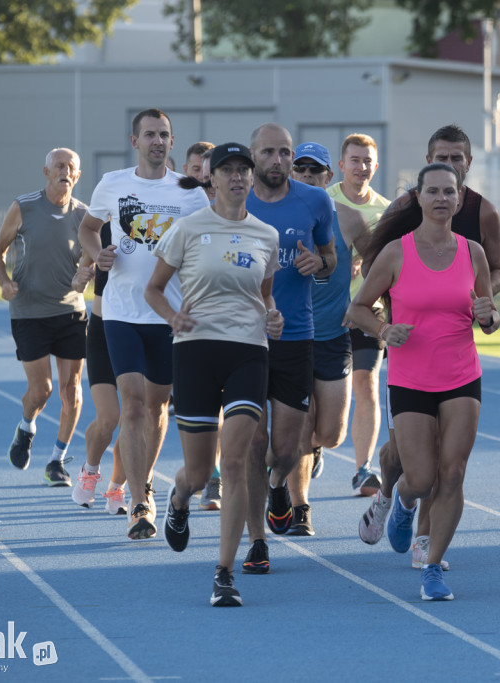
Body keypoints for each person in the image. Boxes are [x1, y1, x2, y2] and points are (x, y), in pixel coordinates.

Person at [346, 162, 499, 601]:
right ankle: (404, 502)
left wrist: (489, 318)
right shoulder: (396, 252)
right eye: (432, 191)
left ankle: (432, 566)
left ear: (459, 197)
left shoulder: (473, 252)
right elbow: (358, 308)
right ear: (418, 198)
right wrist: (382, 331)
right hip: (411, 378)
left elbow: (484, 312)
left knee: (453, 474)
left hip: (461, 375)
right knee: (423, 478)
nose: (440, 199)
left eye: (448, 192)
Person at [146, 142, 283, 606]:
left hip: (248, 350)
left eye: (244, 169)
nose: (238, 177)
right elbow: (154, 289)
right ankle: (180, 498)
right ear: (211, 177)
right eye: (227, 170)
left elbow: (265, 295)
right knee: (201, 472)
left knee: (238, 461)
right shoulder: (187, 228)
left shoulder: (266, 234)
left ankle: (224, 572)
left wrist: (273, 313)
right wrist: (172, 317)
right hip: (196, 352)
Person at [78, 108, 208, 539]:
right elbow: (88, 227)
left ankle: (144, 480)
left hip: (169, 316)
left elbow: (206, 246)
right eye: (149, 134)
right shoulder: (113, 184)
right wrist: (98, 254)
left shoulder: (190, 193)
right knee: (131, 404)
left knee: (157, 407)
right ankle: (138, 502)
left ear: (172, 142)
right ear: (134, 141)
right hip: (120, 312)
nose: (157, 140)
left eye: (164, 134)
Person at [240, 123, 336, 573]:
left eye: (284, 152)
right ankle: (257, 541)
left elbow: (331, 258)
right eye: (268, 153)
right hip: (244, 338)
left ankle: (281, 483)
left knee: (285, 448)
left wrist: (318, 263)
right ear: (253, 156)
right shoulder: (234, 202)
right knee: (253, 444)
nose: (277, 160)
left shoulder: (315, 201)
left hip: (297, 336)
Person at [285, 142, 371, 535]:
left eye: (314, 171)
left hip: (335, 334)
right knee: (299, 427)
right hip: (290, 336)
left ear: (328, 178)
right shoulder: (274, 216)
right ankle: (300, 508)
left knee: (332, 433)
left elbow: (378, 261)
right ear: (290, 174)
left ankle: (315, 450)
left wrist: (374, 300)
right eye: (299, 170)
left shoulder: (349, 219)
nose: (307, 176)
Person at [0, 148, 88, 486]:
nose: (65, 171)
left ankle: (57, 461)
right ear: (45, 172)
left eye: (70, 167)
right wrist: (4, 282)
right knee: (41, 391)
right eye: (59, 165)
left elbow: (91, 257)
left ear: (77, 176)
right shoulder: (25, 206)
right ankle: (26, 427)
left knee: (72, 391)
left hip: (71, 310)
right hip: (29, 310)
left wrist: (84, 274)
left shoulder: (84, 216)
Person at [327, 133, 391, 495]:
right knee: (327, 395)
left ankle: (363, 468)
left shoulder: (386, 210)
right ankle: (315, 445)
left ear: (376, 166)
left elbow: (385, 264)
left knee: (366, 385)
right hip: (327, 314)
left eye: (367, 161)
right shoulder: (326, 201)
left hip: (368, 312)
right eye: (354, 160)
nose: (361, 167)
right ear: (341, 165)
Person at [69, 225, 130, 515]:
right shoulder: (105, 227)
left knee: (136, 418)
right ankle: (89, 470)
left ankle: (117, 487)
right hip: (103, 330)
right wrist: (81, 276)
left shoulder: (164, 220)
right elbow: (80, 276)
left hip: (142, 332)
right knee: (109, 417)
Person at [185, 141, 223, 511]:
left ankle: (215, 478)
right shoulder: (180, 214)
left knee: (222, 406)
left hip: (224, 325)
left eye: (211, 171)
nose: (205, 179)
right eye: (197, 171)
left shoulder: (237, 212)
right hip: (177, 323)